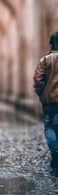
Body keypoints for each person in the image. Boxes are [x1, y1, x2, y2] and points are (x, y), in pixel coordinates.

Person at [33, 31, 58, 172]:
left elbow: (37, 80)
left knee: (50, 127)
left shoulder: (45, 60)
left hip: (50, 102)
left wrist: (43, 95)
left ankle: (55, 152)